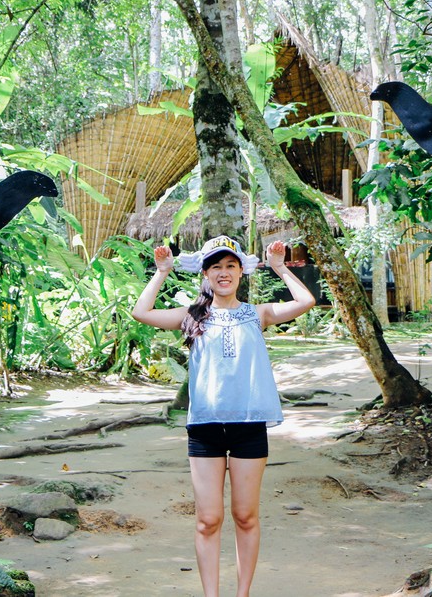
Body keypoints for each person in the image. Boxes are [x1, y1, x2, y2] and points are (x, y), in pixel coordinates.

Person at [131, 235, 315, 597]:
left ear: (242, 271)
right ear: (205, 273)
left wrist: (279, 267)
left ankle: (242, 593)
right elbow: (142, 312)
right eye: (216, 266)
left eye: (231, 265)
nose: (224, 272)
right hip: (205, 429)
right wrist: (163, 272)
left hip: (249, 427)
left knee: (245, 517)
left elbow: (306, 300)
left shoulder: (257, 313)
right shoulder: (192, 316)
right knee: (208, 520)